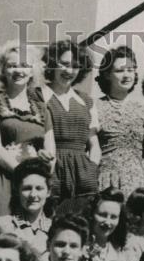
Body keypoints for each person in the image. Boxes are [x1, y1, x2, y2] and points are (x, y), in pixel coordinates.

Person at [0, 41, 53, 216]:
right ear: (3, 70)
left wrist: (44, 170)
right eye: (12, 65)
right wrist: (21, 174)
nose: (18, 71)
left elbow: (51, 152)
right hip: (6, 177)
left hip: (35, 184)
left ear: (32, 71)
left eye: (24, 65)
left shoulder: (42, 108)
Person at [43, 38, 101, 213]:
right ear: (52, 64)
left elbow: (94, 143)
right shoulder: (38, 95)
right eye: (64, 64)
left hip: (83, 173)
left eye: (75, 66)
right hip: (51, 169)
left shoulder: (85, 100)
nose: (69, 71)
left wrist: (91, 168)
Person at [95, 45, 144, 196]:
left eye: (130, 70)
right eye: (119, 70)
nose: (126, 75)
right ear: (107, 74)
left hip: (137, 183)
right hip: (107, 182)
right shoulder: (94, 107)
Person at [0, 158, 53, 261]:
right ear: (17, 191)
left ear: (48, 192)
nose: (33, 194)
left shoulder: (55, 229)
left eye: (39, 188)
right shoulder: (0, 226)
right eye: (27, 188)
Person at [77, 188, 127, 261]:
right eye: (102, 215)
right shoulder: (77, 245)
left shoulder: (120, 253)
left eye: (113, 217)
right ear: (91, 214)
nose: (108, 223)